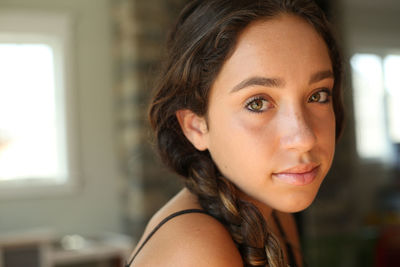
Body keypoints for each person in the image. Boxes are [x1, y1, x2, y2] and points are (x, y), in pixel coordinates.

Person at [126, 0, 344, 266]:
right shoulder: (197, 252)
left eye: (318, 95)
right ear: (196, 126)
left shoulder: (274, 216)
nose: (304, 138)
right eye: (257, 103)